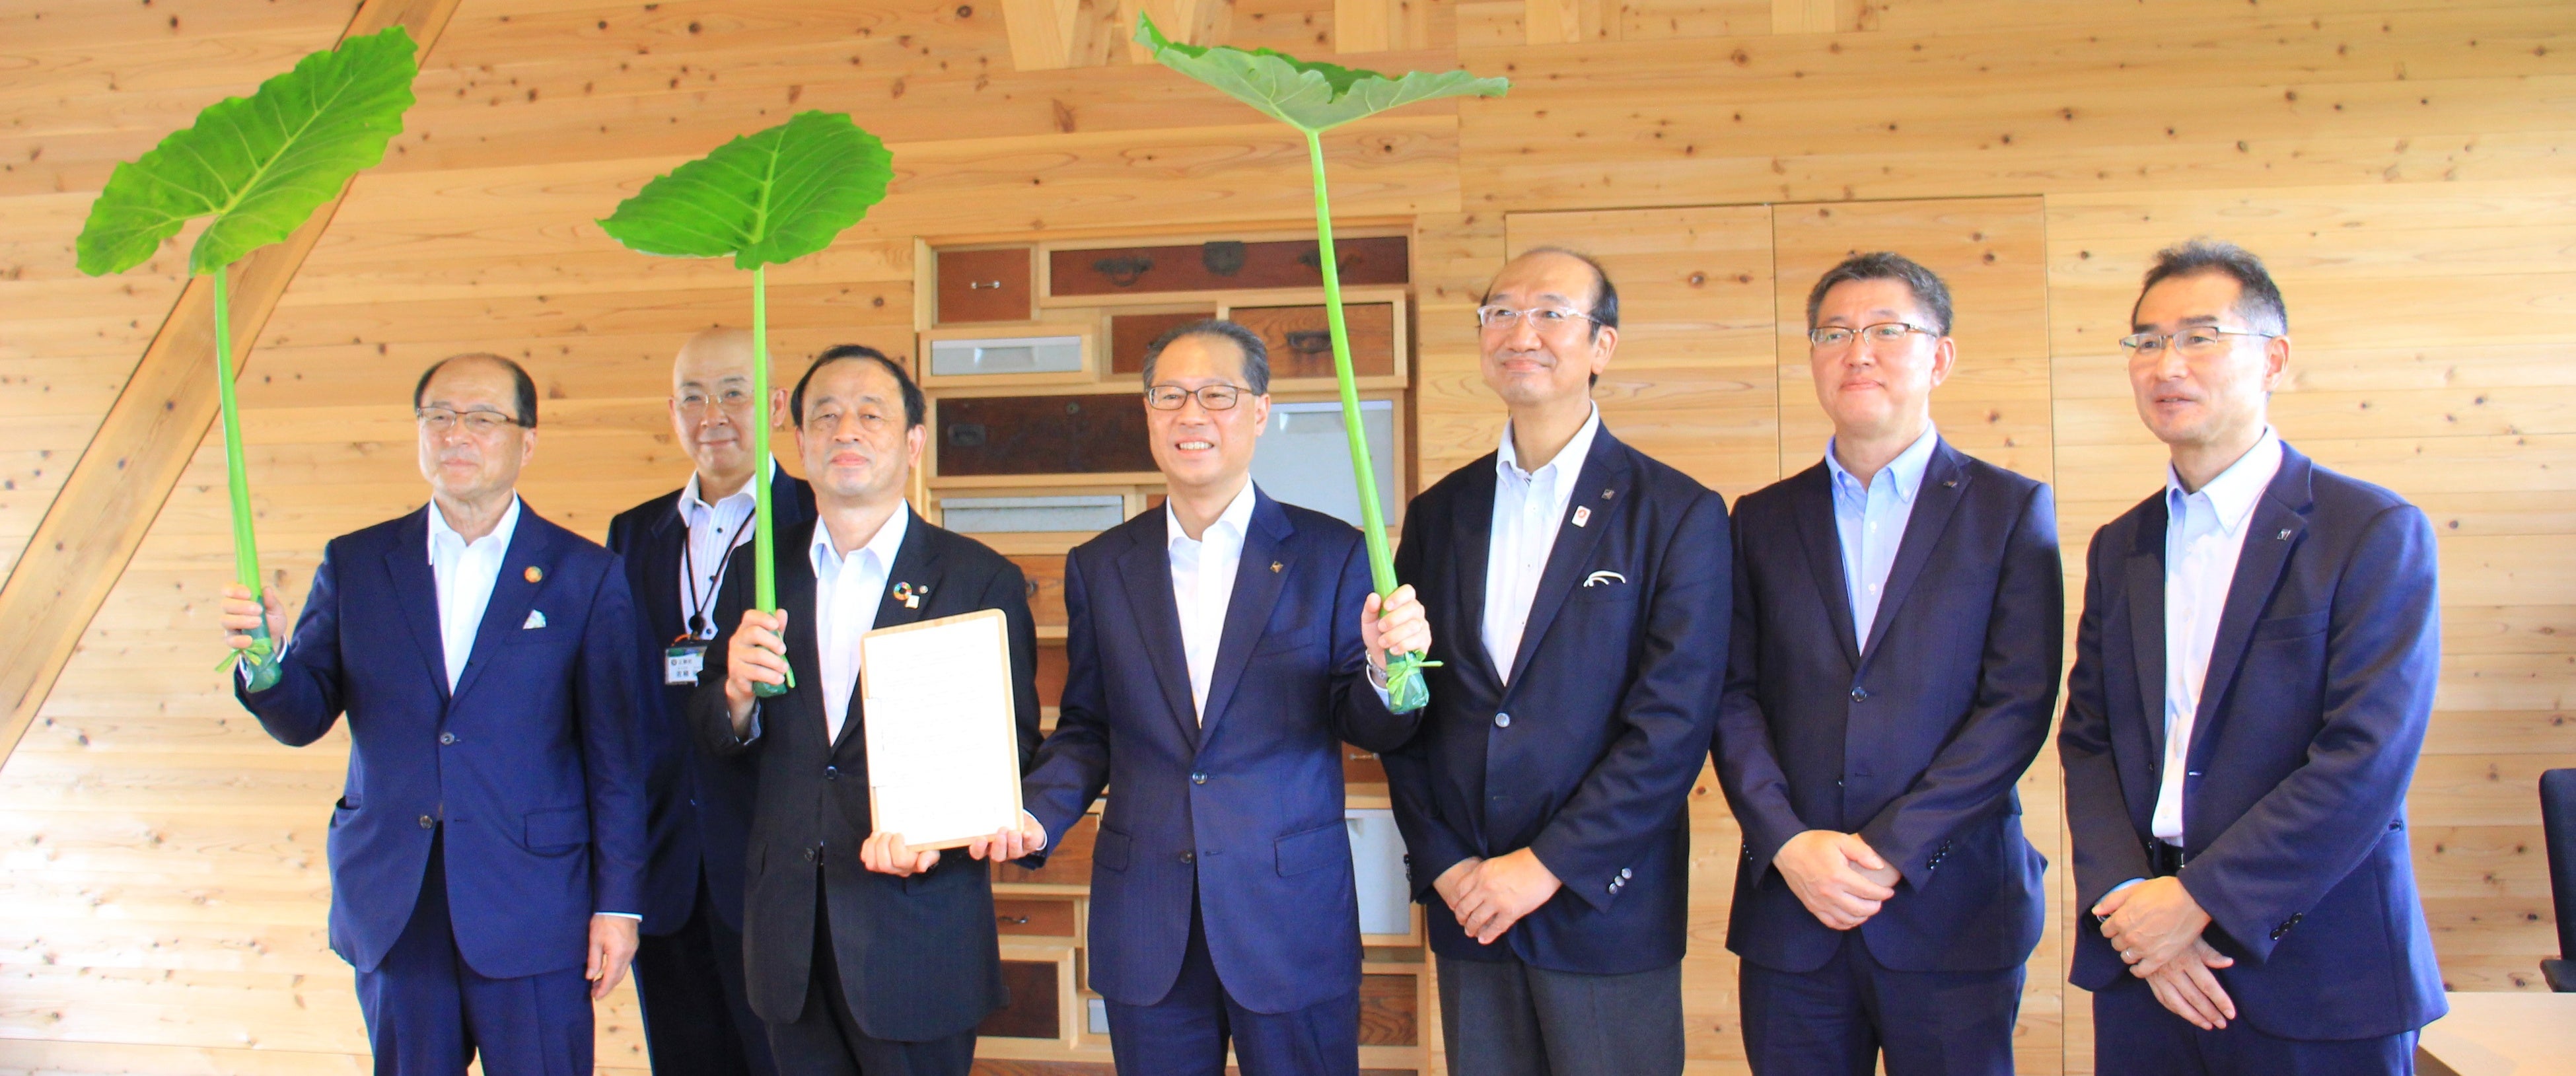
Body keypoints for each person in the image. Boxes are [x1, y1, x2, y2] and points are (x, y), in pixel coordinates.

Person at [981, 320, 1433, 1075]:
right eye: (1171, 396)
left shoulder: (1333, 553)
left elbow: (1370, 726)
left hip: (1288, 918)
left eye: (1218, 395)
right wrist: (1034, 812)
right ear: (1148, 414)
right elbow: (1091, 727)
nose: (1192, 415)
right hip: (1147, 919)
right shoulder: (1100, 566)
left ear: (1259, 411)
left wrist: (1389, 673)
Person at [2059, 240, 2446, 1074]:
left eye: (2201, 337)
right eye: (2148, 341)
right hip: (2145, 970)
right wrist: (2135, 905)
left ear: (2274, 359)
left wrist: (2200, 903)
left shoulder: (2369, 532)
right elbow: (2089, 742)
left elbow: (2366, 757)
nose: (2168, 364)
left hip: (2317, 969)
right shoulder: (2122, 545)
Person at [221, 353, 647, 1075]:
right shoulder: (357, 564)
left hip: (535, 905)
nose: (458, 434)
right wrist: (265, 659)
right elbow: (303, 715)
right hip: (396, 902)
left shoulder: (585, 574)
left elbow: (620, 761)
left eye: (483, 418)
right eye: (439, 417)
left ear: (527, 441)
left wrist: (620, 906)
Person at [1381, 247, 1730, 1075]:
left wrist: (1543, 869)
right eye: (1500, 312)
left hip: (1603, 904)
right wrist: (1447, 864)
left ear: (1601, 346)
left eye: (1550, 312)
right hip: (1471, 909)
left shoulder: (1677, 512)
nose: (1520, 331)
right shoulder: (1440, 513)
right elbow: (1414, 708)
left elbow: (1672, 729)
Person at [1713, 252, 2061, 1075]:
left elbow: (2017, 704)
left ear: (1938, 357)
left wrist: (1891, 851)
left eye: (1885, 331)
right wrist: (1789, 844)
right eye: (1834, 333)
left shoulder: (2010, 510)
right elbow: (1731, 698)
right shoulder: (1760, 520)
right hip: (1792, 909)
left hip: (1953, 905)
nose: (1856, 352)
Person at [691, 345, 1042, 1076]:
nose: (845, 430)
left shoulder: (976, 577)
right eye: (825, 415)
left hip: (915, 927)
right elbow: (716, 738)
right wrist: (734, 698)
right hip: (787, 932)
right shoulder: (760, 569)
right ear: (799, 441)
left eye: (871, 414)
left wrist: (942, 828)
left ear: (913, 442)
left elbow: (1011, 744)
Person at [605, 327, 811, 1076]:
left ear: (777, 405)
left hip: (774, 869)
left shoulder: (818, 523)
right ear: (672, 411)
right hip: (662, 866)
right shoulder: (635, 534)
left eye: (734, 393)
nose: (712, 414)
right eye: (692, 396)